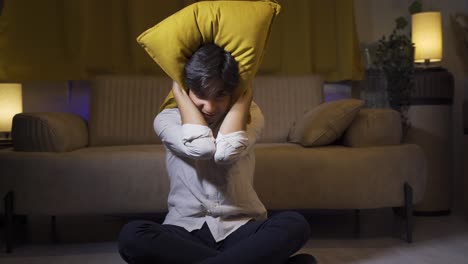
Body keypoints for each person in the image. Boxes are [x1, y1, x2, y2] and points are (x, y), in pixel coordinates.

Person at [118, 43, 316, 264]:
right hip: (186, 230)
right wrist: (179, 94)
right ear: (185, 89)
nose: (210, 107)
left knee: (295, 224)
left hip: (242, 227)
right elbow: (202, 148)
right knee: (133, 235)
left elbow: (225, 153)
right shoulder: (167, 119)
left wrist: (244, 97)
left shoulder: (250, 115)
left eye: (220, 94)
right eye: (201, 94)